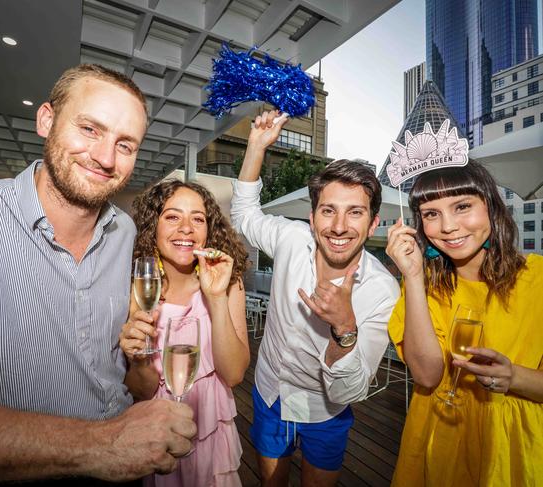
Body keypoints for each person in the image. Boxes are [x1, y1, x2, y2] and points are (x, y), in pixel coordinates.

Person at [0, 64, 196, 486]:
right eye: (90, 129)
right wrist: (101, 445)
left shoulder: (124, 232)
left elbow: (111, 364)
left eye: (125, 145)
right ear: (46, 120)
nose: (106, 158)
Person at [230, 110, 400, 487]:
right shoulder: (291, 239)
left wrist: (344, 328)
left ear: (373, 223)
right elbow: (243, 215)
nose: (339, 227)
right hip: (270, 392)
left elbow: (351, 390)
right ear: (312, 217)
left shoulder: (381, 290)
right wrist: (256, 145)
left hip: (327, 412)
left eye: (355, 213)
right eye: (328, 211)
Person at [385, 160, 543, 486]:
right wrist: (413, 277)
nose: (448, 226)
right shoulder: (423, 285)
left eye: (462, 206)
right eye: (431, 214)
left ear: (491, 206)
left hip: (511, 447)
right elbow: (428, 375)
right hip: (437, 440)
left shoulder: (538, 280)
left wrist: (513, 376)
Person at [119, 179, 250, 487]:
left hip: (211, 431)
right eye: (173, 216)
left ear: (209, 229)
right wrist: (139, 359)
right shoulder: (138, 287)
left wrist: (216, 297)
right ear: (154, 226)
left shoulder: (229, 282)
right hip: (154, 429)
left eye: (198, 219)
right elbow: (141, 390)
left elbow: (232, 376)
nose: (187, 228)